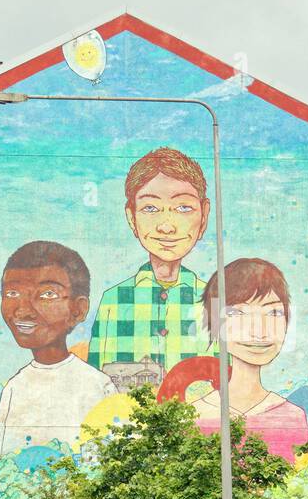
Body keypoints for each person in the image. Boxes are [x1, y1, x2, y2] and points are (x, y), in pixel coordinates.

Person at [87, 147, 217, 374]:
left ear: (204, 215)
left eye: (183, 208)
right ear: (131, 216)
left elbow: (226, 382)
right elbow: (97, 381)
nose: (166, 226)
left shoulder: (214, 299)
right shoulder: (114, 299)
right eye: (150, 208)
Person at [0, 241, 117, 457]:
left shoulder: (96, 385)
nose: (23, 310)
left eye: (47, 294)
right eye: (12, 294)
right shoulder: (15, 387)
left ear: (78, 309)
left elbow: (115, 460)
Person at [191, 258, 308, 462]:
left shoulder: (293, 417)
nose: (259, 331)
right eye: (237, 312)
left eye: (274, 312)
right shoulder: (196, 414)